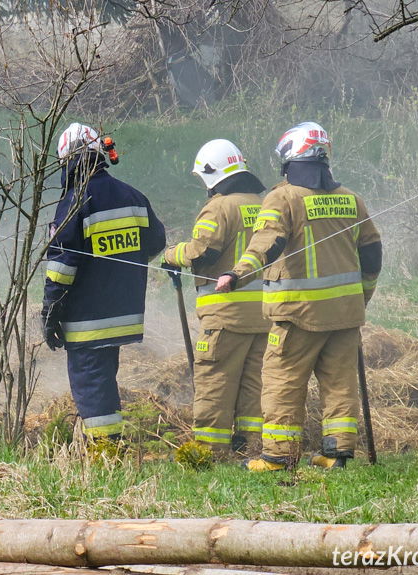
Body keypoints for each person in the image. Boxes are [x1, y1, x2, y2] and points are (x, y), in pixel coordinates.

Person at [216, 121, 382, 471]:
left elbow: (267, 242)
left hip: (298, 316)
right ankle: (336, 454)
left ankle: (278, 456)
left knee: (282, 382)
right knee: (340, 385)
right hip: (345, 316)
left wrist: (236, 273)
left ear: (291, 157)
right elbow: (372, 255)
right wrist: (361, 299)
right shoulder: (351, 199)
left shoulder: (283, 196)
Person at [42, 122, 166, 441]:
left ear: (68, 160)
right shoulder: (133, 196)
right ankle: (108, 443)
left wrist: (50, 311)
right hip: (124, 314)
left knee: (91, 384)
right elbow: (155, 242)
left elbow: (61, 266)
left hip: (88, 319)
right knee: (104, 380)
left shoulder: (74, 201)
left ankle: (105, 454)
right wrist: (123, 271)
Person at [160, 139, 269, 457]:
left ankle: (210, 450)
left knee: (215, 380)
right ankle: (251, 447)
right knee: (254, 385)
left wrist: (171, 255)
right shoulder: (261, 203)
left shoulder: (219, 207)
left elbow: (203, 250)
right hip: (263, 314)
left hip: (225, 314)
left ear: (212, 174)